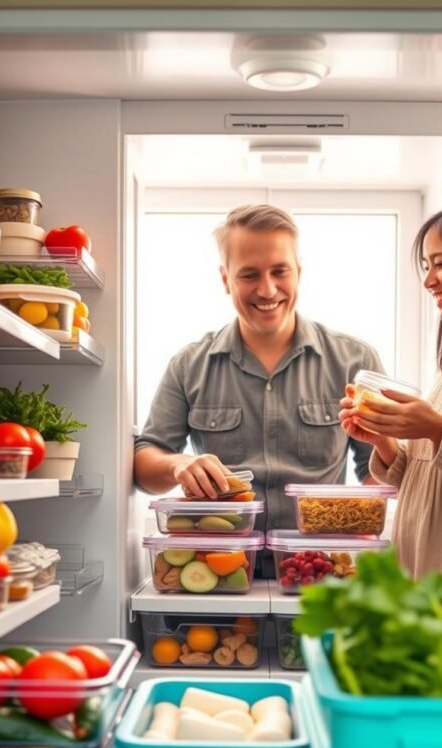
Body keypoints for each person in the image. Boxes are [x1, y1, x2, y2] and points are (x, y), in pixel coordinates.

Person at [134, 204, 384, 531]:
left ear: (299, 272)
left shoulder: (357, 362)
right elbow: (144, 463)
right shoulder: (187, 366)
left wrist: (359, 525)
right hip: (221, 570)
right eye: (249, 274)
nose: (267, 290)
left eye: (280, 271)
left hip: (316, 569)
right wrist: (179, 464)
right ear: (226, 279)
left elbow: (379, 470)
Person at [339, 207, 442, 578]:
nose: (429, 281)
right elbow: (426, 473)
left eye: (439, 263)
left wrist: (438, 428)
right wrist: (386, 443)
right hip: (417, 555)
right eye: (426, 266)